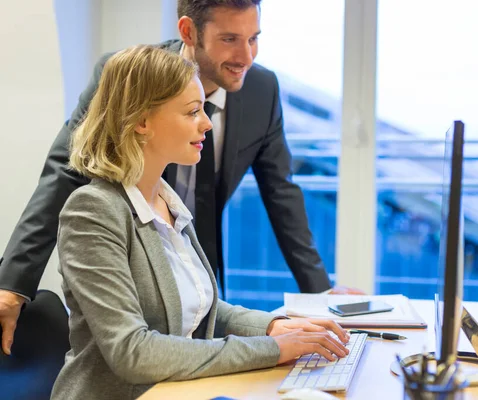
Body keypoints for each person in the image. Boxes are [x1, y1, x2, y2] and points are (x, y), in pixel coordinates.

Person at [0, 0, 364, 356]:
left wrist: (318, 295)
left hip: (193, 251)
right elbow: (65, 171)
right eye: (229, 39)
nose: (246, 57)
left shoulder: (261, 89)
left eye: (253, 38)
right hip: (133, 263)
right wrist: (12, 285)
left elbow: (282, 193)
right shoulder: (131, 78)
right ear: (189, 31)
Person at [50, 45, 350, 400]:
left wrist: (277, 326)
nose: (207, 122)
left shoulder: (166, 200)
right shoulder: (93, 211)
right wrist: (274, 348)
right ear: (142, 122)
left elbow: (202, 308)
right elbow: (133, 351)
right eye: (193, 112)